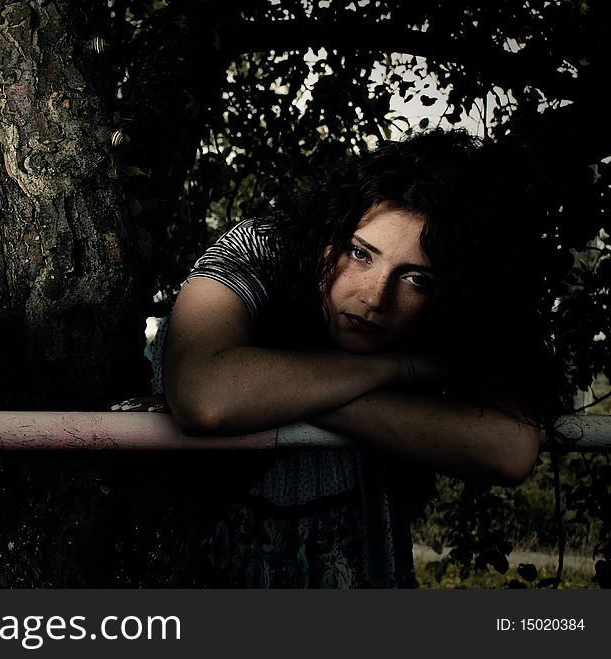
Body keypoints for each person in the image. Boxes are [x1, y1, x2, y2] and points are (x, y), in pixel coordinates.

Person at [154, 128, 561, 588]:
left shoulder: (463, 308)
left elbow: (508, 448)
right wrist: (392, 368)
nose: (374, 297)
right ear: (330, 232)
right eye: (361, 254)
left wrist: (275, 391)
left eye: (417, 280)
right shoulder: (263, 248)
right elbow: (204, 393)